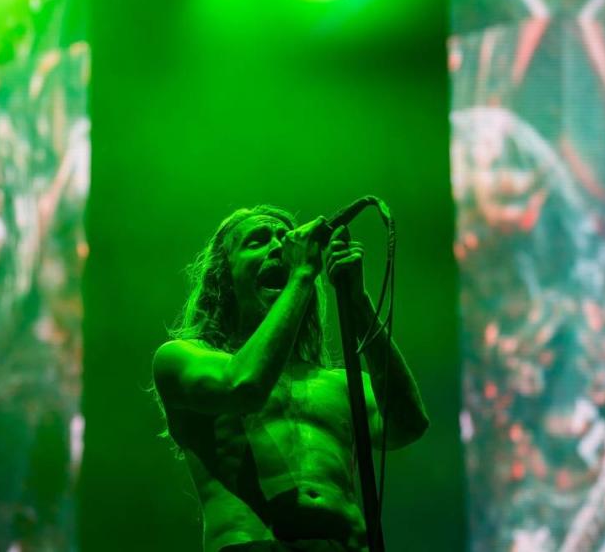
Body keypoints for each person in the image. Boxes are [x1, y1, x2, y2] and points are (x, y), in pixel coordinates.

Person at [152, 205, 429, 552]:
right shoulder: (181, 357)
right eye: (257, 241)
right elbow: (244, 386)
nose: (278, 249)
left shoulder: (341, 383)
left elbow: (407, 425)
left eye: (284, 240)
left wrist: (357, 302)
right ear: (224, 277)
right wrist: (300, 275)